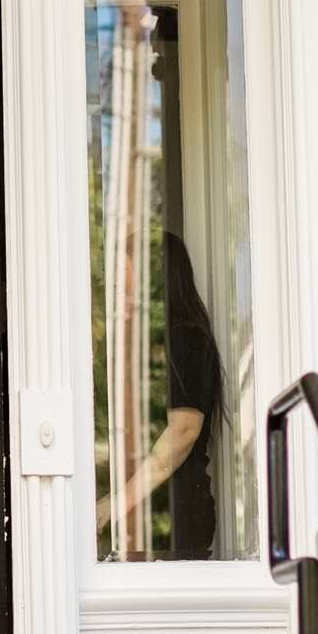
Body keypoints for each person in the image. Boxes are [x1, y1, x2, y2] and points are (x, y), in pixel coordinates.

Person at [97, 232, 224, 559]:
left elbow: (182, 432)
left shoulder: (185, 339)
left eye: (125, 288)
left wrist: (117, 503)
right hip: (150, 524)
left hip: (172, 525)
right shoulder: (152, 346)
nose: (119, 299)